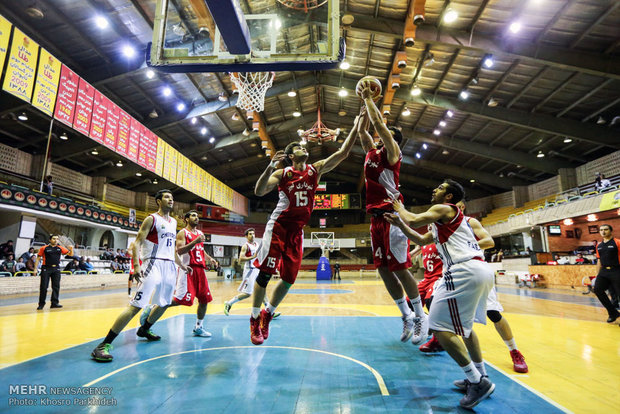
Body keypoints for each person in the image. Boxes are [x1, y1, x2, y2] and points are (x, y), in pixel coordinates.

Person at [248, 112, 362, 346]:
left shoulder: (315, 170)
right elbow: (259, 191)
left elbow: (343, 153)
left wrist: (357, 124)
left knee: (289, 279)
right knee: (266, 274)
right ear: (291, 156)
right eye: (299, 147)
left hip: (297, 232)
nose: (304, 147)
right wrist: (269, 167)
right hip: (278, 227)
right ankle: (253, 318)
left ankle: (268, 313)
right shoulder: (282, 173)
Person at [385, 180, 495, 409]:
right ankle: (481, 375)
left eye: (440, 188)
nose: (434, 189)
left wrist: (399, 208)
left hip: (463, 270)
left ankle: (477, 382)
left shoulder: (446, 209)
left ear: (449, 197)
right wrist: (400, 223)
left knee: (437, 326)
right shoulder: (443, 222)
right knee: (466, 328)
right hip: (481, 270)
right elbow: (421, 239)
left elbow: (414, 219)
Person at [358, 80, 428, 344]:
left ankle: (421, 315)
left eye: (384, 133)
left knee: (399, 269)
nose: (378, 136)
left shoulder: (393, 153)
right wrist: (362, 107)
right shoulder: (370, 154)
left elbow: (377, 126)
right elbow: (363, 132)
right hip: (375, 219)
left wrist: (369, 100)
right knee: (384, 270)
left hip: (392, 217)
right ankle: (406, 315)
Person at [91, 189, 189, 362]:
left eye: (172, 198)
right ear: (158, 201)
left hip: (169, 266)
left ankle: (144, 329)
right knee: (136, 306)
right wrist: (136, 265)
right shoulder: (151, 219)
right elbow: (136, 243)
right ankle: (102, 345)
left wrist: (181, 265)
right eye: (167, 197)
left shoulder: (173, 222)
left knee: (165, 303)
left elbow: (172, 249)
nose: (171, 200)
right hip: (153, 263)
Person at [139, 210, 218, 337]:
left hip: (200, 271)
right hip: (188, 270)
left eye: (197, 216)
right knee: (179, 300)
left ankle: (199, 327)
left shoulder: (199, 233)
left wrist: (210, 258)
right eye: (193, 215)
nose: (196, 218)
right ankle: (152, 308)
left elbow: (200, 250)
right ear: (186, 219)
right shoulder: (182, 233)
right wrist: (195, 242)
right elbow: (179, 251)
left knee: (204, 300)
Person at [224, 228, 261, 315]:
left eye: (253, 233)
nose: (252, 235)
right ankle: (229, 303)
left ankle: (268, 310)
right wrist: (252, 257)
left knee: (261, 289)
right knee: (247, 294)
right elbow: (241, 259)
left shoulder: (257, 244)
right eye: (250, 234)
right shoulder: (245, 246)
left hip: (257, 270)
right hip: (249, 271)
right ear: (246, 236)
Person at [34, 235, 74, 310]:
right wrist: (35, 269)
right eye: (54, 239)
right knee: (43, 287)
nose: (56, 240)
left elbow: (70, 254)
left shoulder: (60, 248)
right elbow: (38, 259)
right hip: (46, 268)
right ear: (50, 240)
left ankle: (54, 303)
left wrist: (71, 249)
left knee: (56, 287)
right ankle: (41, 304)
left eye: (57, 239)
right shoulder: (44, 248)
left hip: (56, 269)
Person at [593, 224, 620, 323]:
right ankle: (613, 313)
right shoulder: (599, 246)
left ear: (611, 231)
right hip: (604, 272)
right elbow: (599, 261)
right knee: (597, 290)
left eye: (605, 229)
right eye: (601, 230)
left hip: (616, 270)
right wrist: (598, 275)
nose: (603, 232)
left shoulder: (617, 242)